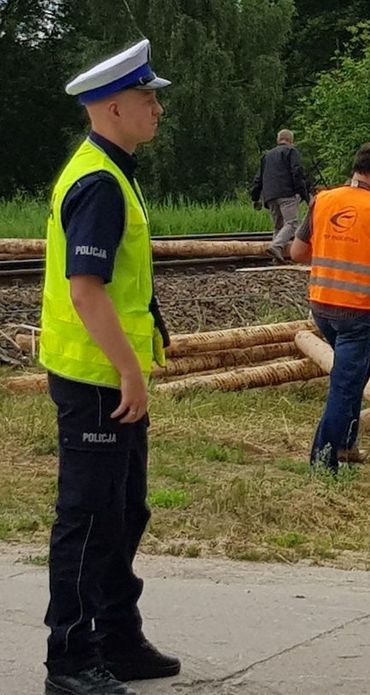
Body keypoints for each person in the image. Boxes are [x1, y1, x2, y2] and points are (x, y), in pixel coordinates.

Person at [39, 39, 181, 695]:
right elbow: (86, 289)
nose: (158, 106)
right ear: (115, 106)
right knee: (90, 517)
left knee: (125, 511)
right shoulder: (99, 181)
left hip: (112, 375)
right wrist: (130, 370)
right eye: (149, 97)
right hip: (97, 379)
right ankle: (70, 657)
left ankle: (118, 636)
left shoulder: (114, 169)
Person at [291, 142, 370, 473]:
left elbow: (297, 252)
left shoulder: (322, 200)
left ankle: (346, 443)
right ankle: (323, 462)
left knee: (356, 373)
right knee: (345, 384)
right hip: (356, 310)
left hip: (322, 304)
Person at [250, 129, 310, 263]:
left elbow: (258, 179)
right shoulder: (291, 151)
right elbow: (296, 172)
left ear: (278, 140)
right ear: (291, 141)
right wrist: (304, 195)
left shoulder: (266, 156)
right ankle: (275, 247)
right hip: (286, 193)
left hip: (270, 195)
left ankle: (275, 259)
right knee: (292, 223)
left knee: (278, 226)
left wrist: (255, 197)